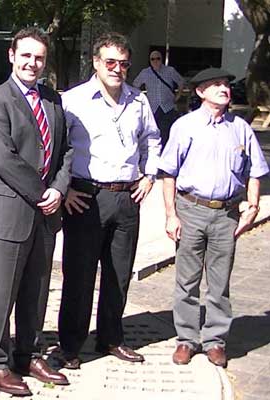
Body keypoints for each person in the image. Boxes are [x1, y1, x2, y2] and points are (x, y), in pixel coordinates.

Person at [0, 27, 73, 396]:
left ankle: (27, 353)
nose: (33, 63)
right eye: (26, 55)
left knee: (36, 291)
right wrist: (41, 192)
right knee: (1, 296)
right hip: (10, 211)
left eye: (39, 57)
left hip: (46, 214)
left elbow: (65, 151)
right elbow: (3, 158)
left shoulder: (53, 100)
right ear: (12, 55)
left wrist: (59, 189)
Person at [58, 32, 161, 369]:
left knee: (119, 274)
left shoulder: (139, 101)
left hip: (127, 196)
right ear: (96, 63)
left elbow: (153, 140)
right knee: (79, 276)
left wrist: (149, 175)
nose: (117, 69)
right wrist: (65, 189)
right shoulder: (72, 100)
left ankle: (111, 338)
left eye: (124, 63)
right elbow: (57, 149)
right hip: (86, 197)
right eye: (110, 62)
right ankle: (71, 346)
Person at [159, 68, 269, 367]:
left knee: (220, 283)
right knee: (187, 281)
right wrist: (171, 215)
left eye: (226, 85)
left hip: (226, 214)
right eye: (216, 85)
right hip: (191, 210)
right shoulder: (185, 127)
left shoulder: (240, 128)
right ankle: (187, 339)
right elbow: (168, 172)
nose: (225, 89)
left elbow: (256, 171)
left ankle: (215, 340)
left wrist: (253, 205)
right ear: (200, 92)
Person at [133, 50, 185, 146]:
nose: (155, 61)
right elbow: (135, 85)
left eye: (158, 58)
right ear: (150, 61)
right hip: (152, 108)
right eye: (153, 59)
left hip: (168, 107)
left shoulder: (170, 71)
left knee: (167, 134)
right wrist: (142, 99)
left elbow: (181, 82)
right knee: (152, 133)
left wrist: (178, 96)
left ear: (161, 59)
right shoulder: (145, 72)